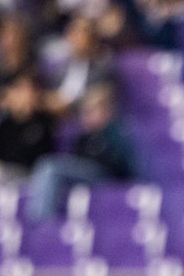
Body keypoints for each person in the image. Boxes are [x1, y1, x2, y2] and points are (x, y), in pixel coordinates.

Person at [27, 82, 136, 221]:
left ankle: (41, 221)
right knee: (47, 168)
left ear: (106, 111)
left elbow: (124, 164)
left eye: (92, 111)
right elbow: (77, 160)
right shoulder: (84, 137)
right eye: (85, 112)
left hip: (104, 175)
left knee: (50, 167)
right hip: (86, 174)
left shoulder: (116, 133)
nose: (86, 117)